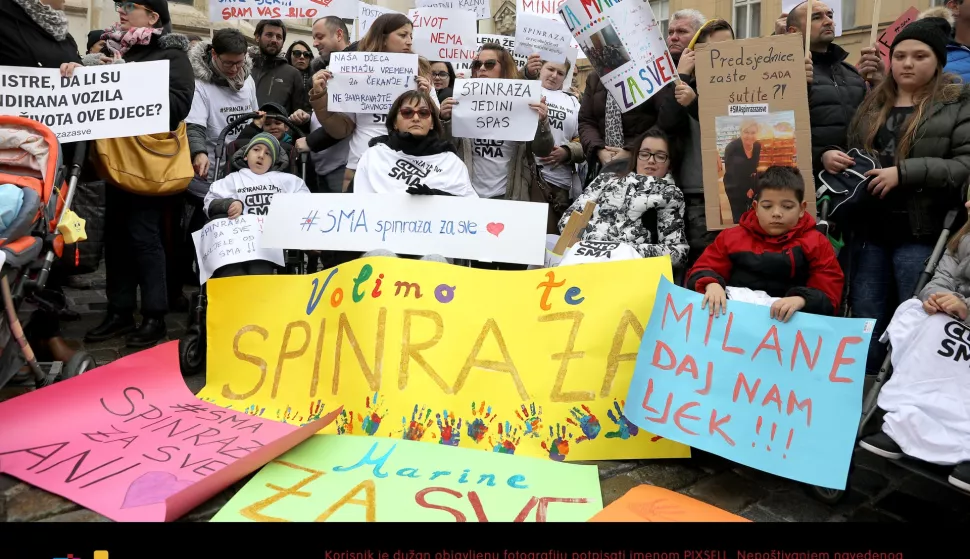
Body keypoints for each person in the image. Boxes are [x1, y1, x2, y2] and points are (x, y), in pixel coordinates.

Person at [821, 17, 970, 374]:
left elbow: (964, 165)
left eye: (920, 56)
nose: (907, 63)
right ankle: (865, 392)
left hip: (921, 232)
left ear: (937, 61)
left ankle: (904, 390)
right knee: (867, 318)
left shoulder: (957, 103)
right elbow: (853, 150)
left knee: (914, 316)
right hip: (869, 231)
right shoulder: (874, 102)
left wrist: (903, 173)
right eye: (900, 55)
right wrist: (830, 156)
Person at [77, 0, 195, 348]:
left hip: (147, 164)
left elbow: (178, 106)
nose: (121, 10)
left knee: (145, 237)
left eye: (130, 4)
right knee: (115, 238)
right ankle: (119, 311)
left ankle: (155, 315)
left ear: (153, 16)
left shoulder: (172, 55)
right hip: (115, 159)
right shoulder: (112, 49)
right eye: (119, 4)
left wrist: (126, 81)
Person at [857, 197, 970, 491]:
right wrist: (935, 299)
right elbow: (940, 278)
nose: (968, 204)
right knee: (917, 316)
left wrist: (965, 307)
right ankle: (905, 423)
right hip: (952, 321)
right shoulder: (962, 240)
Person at [0, 0, 85, 364]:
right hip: (10, 146)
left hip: (48, 158)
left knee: (49, 242)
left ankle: (45, 333)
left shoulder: (62, 32)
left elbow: (72, 74)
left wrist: (79, 72)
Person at [688, 166, 844, 320]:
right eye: (767, 206)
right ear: (755, 207)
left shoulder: (816, 242)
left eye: (787, 206)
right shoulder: (730, 237)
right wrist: (711, 284)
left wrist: (802, 299)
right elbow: (704, 268)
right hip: (735, 320)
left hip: (791, 323)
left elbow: (830, 291)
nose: (776, 213)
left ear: (802, 208)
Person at [309, 13, 435, 192]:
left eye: (411, 36)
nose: (409, 42)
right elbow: (341, 129)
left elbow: (436, 127)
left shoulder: (420, 73)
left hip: (409, 167)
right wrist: (320, 96)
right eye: (402, 35)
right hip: (362, 166)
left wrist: (426, 98)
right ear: (383, 37)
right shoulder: (356, 70)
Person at [577, 9, 698, 175]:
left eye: (682, 32)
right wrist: (599, 151)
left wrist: (632, 151)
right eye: (670, 32)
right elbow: (586, 121)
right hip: (603, 166)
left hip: (643, 165)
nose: (673, 37)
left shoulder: (657, 71)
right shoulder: (595, 77)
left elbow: (664, 120)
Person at [559, 129, 688, 270]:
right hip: (583, 259)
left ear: (670, 163)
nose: (651, 160)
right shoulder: (605, 179)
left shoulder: (670, 194)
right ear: (636, 157)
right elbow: (567, 221)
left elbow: (677, 252)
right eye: (644, 154)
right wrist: (596, 245)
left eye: (660, 156)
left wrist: (624, 251)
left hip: (627, 269)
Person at [666, 18, 735, 270]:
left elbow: (734, 129)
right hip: (698, 194)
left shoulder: (744, 85)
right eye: (715, 49)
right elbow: (666, 124)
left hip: (737, 191)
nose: (724, 54)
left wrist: (695, 104)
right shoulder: (687, 86)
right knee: (703, 264)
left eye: (730, 46)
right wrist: (682, 76)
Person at [787, 1, 881, 180]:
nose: (828, 21)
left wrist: (879, 83)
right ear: (793, 31)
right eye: (816, 17)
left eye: (830, 15)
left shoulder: (852, 72)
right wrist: (820, 156)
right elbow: (779, 130)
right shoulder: (785, 74)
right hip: (810, 181)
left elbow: (875, 123)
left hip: (857, 177)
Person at [203, 133, 309, 276]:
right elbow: (209, 202)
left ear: (274, 161)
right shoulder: (232, 179)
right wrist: (229, 203)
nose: (261, 156)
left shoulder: (289, 181)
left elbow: (307, 205)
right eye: (256, 150)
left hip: (271, 242)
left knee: (259, 267)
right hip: (236, 242)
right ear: (246, 155)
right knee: (231, 269)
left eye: (268, 154)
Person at [354, 90, 475, 197]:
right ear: (394, 122)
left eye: (423, 113)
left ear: (432, 123)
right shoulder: (374, 156)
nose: (416, 118)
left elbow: (468, 206)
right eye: (407, 112)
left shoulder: (451, 163)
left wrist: (439, 197)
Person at [186, 29, 258, 185]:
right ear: (214, 54)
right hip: (210, 167)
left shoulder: (248, 81)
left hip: (242, 167)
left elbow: (254, 117)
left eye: (239, 62)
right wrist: (198, 152)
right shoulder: (199, 85)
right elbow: (194, 126)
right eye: (228, 63)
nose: (234, 69)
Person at [535, 59, 583, 231]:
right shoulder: (526, 91)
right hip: (530, 178)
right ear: (540, 69)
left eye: (560, 73)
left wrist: (568, 152)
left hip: (559, 185)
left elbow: (584, 139)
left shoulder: (573, 102)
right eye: (550, 69)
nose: (554, 75)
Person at [250, 19, 307, 117]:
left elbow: (299, 113)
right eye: (269, 35)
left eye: (279, 37)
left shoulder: (293, 74)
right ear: (257, 37)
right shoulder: (243, 69)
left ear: (283, 42)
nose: (274, 40)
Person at [721, 119, 762, 224]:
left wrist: (752, 187)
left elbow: (754, 169)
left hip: (750, 183)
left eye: (753, 132)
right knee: (739, 216)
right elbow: (732, 173)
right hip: (734, 186)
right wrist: (746, 189)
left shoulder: (757, 146)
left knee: (752, 214)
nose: (750, 136)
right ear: (740, 132)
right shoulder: (731, 148)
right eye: (746, 132)